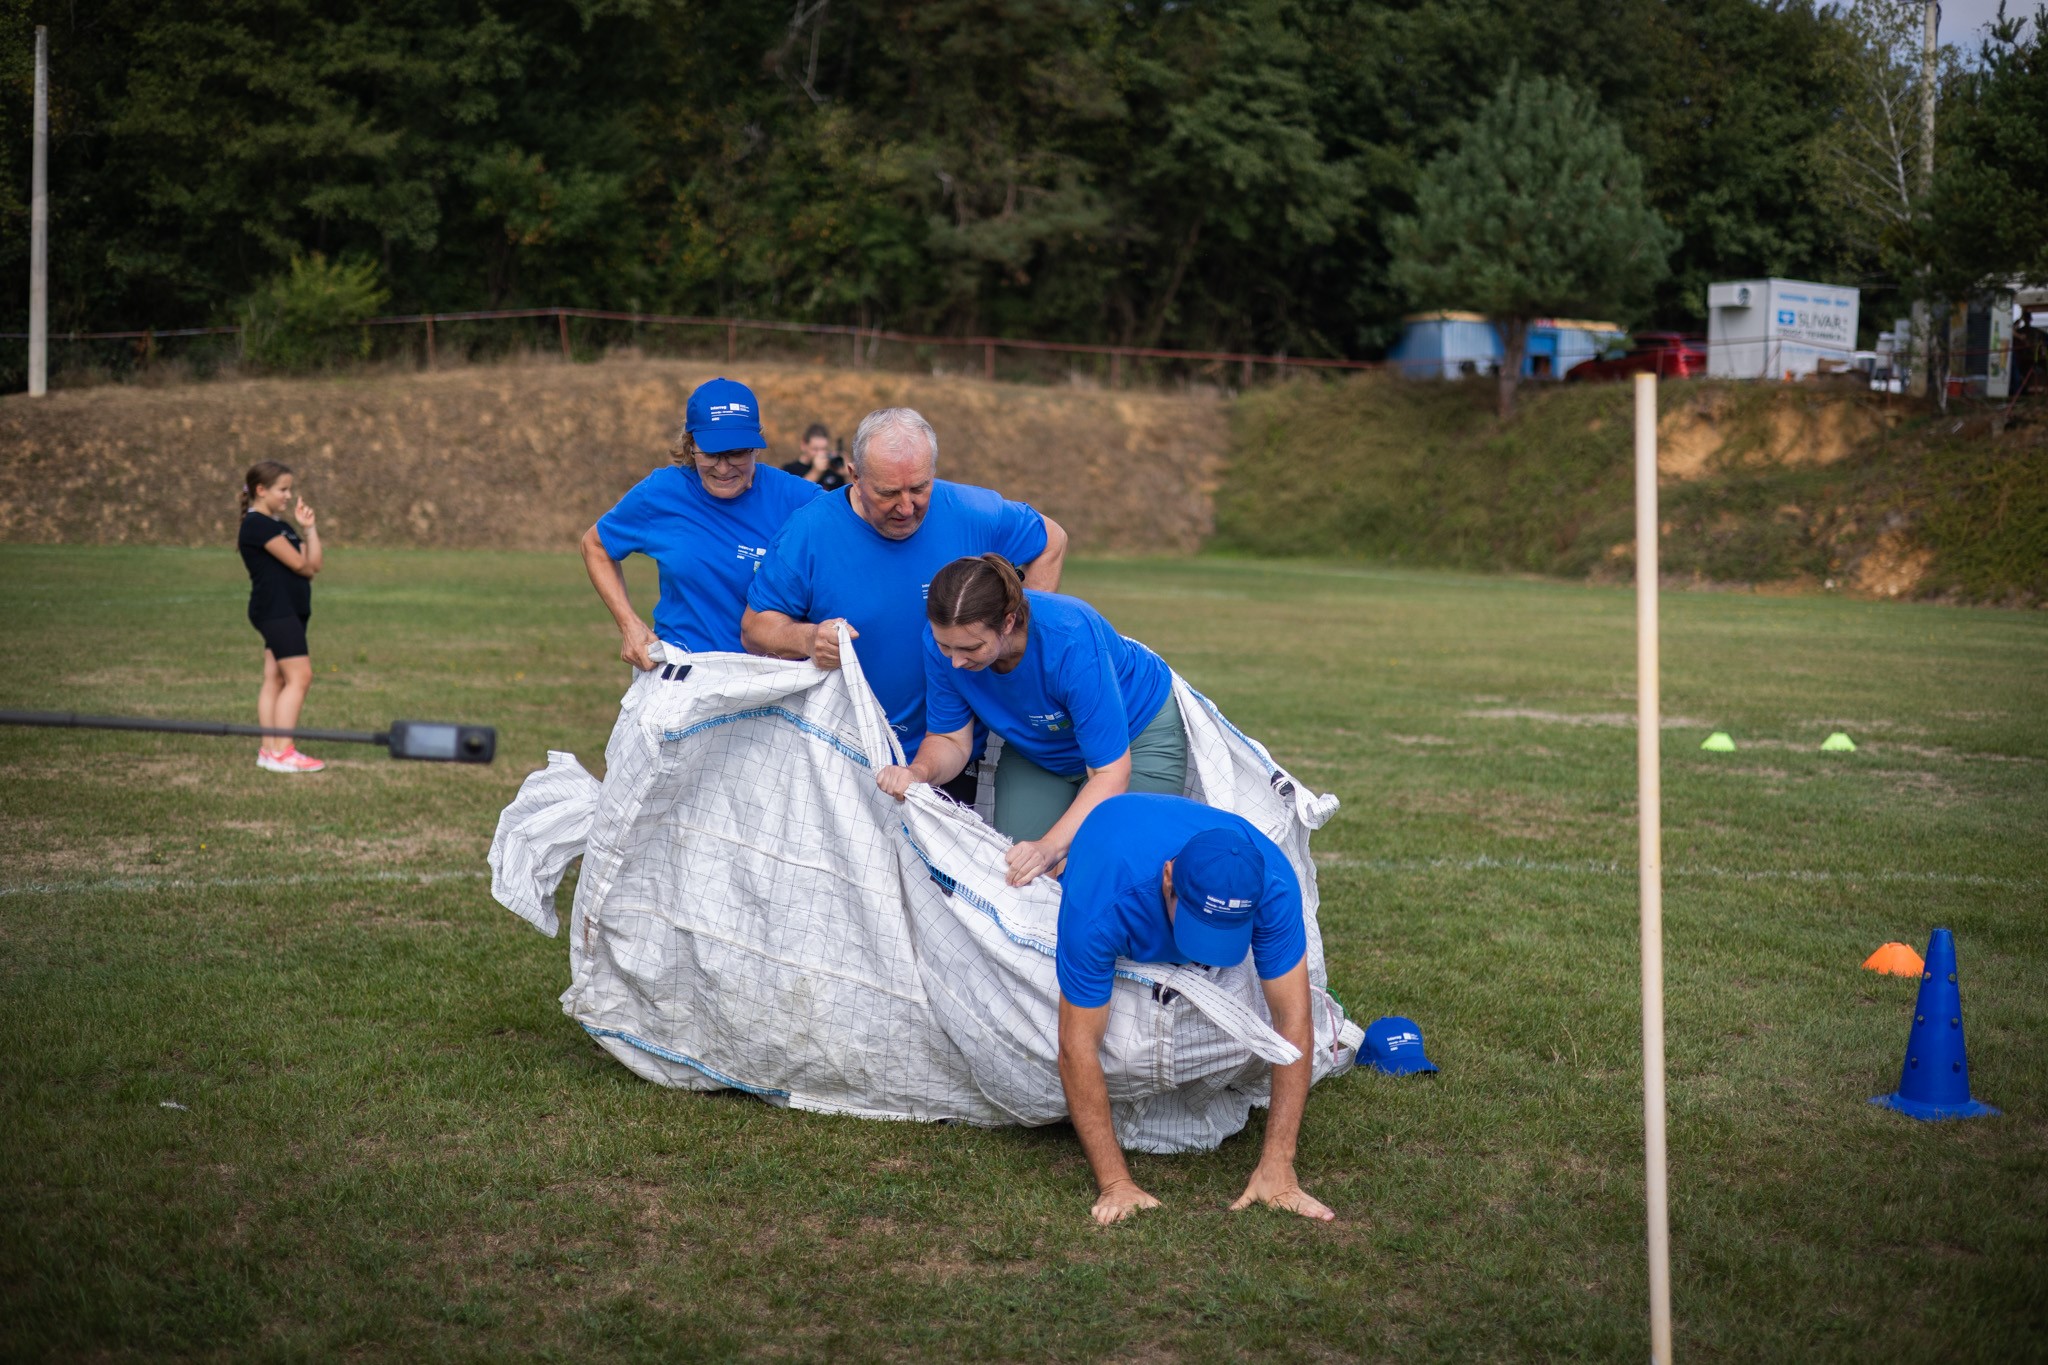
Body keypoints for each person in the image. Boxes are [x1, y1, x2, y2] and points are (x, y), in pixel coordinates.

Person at [741, 407, 1069, 800]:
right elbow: (754, 628)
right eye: (888, 493)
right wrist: (808, 639)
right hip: (839, 758)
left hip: (951, 756)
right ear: (855, 475)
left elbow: (1051, 540)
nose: (906, 507)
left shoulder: (972, 512)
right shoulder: (810, 532)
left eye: (919, 488)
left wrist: (1016, 644)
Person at [1054, 793, 1333, 1226]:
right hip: (1109, 842)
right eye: (1199, 924)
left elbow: (1293, 1020)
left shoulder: (1272, 883)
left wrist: (1279, 1165)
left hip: (1172, 860)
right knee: (1117, 1046)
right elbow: (1076, 1045)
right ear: (1169, 880)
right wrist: (1115, 1183)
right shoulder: (1104, 898)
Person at [875, 554, 1185, 886]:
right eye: (945, 646)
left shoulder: (1070, 638)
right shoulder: (946, 646)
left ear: (1008, 622)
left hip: (1135, 738)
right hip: (1040, 748)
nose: (955, 663)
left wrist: (1049, 849)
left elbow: (1110, 773)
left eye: (971, 648)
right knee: (1013, 872)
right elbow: (951, 740)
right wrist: (917, 773)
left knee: (1108, 876)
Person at [581, 378, 821, 667]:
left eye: (736, 454)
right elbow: (595, 545)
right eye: (709, 453)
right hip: (687, 673)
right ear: (689, 444)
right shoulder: (661, 493)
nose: (723, 468)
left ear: (755, 447)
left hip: (774, 678)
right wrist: (629, 625)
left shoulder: (800, 500)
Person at [237, 460, 325, 773]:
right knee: (300, 676)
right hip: (275, 610)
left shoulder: (281, 526)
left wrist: (309, 528)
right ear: (261, 490)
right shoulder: (257, 525)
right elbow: (299, 565)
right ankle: (282, 751)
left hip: (289, 609)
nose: (288, 496)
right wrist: (303, 561)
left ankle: (269, 751)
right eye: (282, 489)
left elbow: (313, 565)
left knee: (275, 677)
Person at [780, 423, 847, 491]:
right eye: (815, 449)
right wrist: (816, 472)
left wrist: (847, 474)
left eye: (824, 449)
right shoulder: (790, 470)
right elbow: (791, 495)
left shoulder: (832, 469)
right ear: (803, 445)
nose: (821, 453)